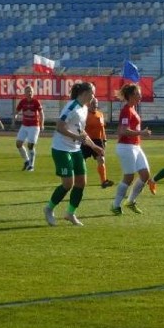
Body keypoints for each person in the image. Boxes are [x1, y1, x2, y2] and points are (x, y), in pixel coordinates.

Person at [43, 82, 103, 226]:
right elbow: (59, 127)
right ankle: (49, 208)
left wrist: (94, 147)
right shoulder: (71, 107)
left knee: (82, 182)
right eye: (92, 93)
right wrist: (76, 138)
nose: (94, 96)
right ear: (84, 93)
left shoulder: (84, 108)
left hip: (75, 149)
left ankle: (70, 213)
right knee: (68, 184)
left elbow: (80, 131)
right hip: (61, 149)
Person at [111, 83, 155, 215]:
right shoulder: (126, 110)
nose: (140, 96)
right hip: (126, 147)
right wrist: (141, 133)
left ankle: (130, 201)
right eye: (137, 93)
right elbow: (123, 131)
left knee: (145, 175)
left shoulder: (132, 109)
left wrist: (139, 134)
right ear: (130, 96)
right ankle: (115, 205)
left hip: (135, 146)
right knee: (129, 177)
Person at [83, 97, 114, 188]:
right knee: (82, 160)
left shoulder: (100, 114)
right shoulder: (84, 115)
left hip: (97, 141)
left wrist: (104, 140)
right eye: (93, 103)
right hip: (86, 141)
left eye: (96, 103)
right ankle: (80, 179)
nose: (95, 105)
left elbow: (102, 129)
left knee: (101, 159)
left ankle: (104, 181)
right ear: (88, 104)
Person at [12, 85, 44, 171]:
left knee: (30, 145)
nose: (29, 93)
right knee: (18, 144)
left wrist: (42, 124)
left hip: (34, 126)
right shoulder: (22, 102)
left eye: (31, 91)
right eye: (27, 91)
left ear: (33, 93)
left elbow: (41, 113)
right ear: (25, 93)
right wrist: (15, 116)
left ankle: (31, 165)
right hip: (24, 126)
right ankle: (27, 161)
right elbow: (16, 111)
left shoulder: (36, 102)